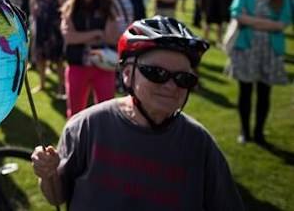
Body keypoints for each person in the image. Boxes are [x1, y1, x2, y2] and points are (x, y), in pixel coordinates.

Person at [32, 16, 245, 210]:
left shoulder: (200, 143)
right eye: (157, 73)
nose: (171, 86)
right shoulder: (87, 127)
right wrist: (48, 174)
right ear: (127, 74)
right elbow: (56, 196)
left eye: (183, 78)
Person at [227, 0, 291, 145]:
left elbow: (283, 23)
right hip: (246, 48)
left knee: (265, 93)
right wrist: (268, 24)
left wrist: (252, 21)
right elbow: (237, 14)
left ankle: (259, 132)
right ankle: (245, 131)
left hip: (270, 50)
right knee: (245, 91)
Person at [61, 0, 120, 117]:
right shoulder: (70, 7)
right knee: (75, 112)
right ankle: (76, 141)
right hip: (77, 65)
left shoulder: (109, 6)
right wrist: (96, 33)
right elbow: (69, 37)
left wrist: (83, 36)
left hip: (104, 66)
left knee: (105, 111)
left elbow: (112, 37)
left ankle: (102, 141)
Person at [29, 0, 65, 95]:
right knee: (41, 59)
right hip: (41, 30)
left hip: (54, 32)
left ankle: (61, 86)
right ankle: (42, 84)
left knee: (58, 60)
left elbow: (64, 13)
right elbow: (33, 13)